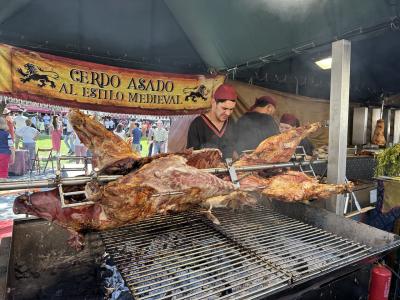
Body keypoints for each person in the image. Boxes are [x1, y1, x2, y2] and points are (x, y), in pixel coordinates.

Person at [187, 83, 237, 158]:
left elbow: (233, 150)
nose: (228, 113)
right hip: (206, 169)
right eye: (224, 108)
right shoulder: (197, 124)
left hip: (229, 168)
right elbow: (191, 155)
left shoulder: (230, 122)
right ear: (213, 102)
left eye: (231, 109)